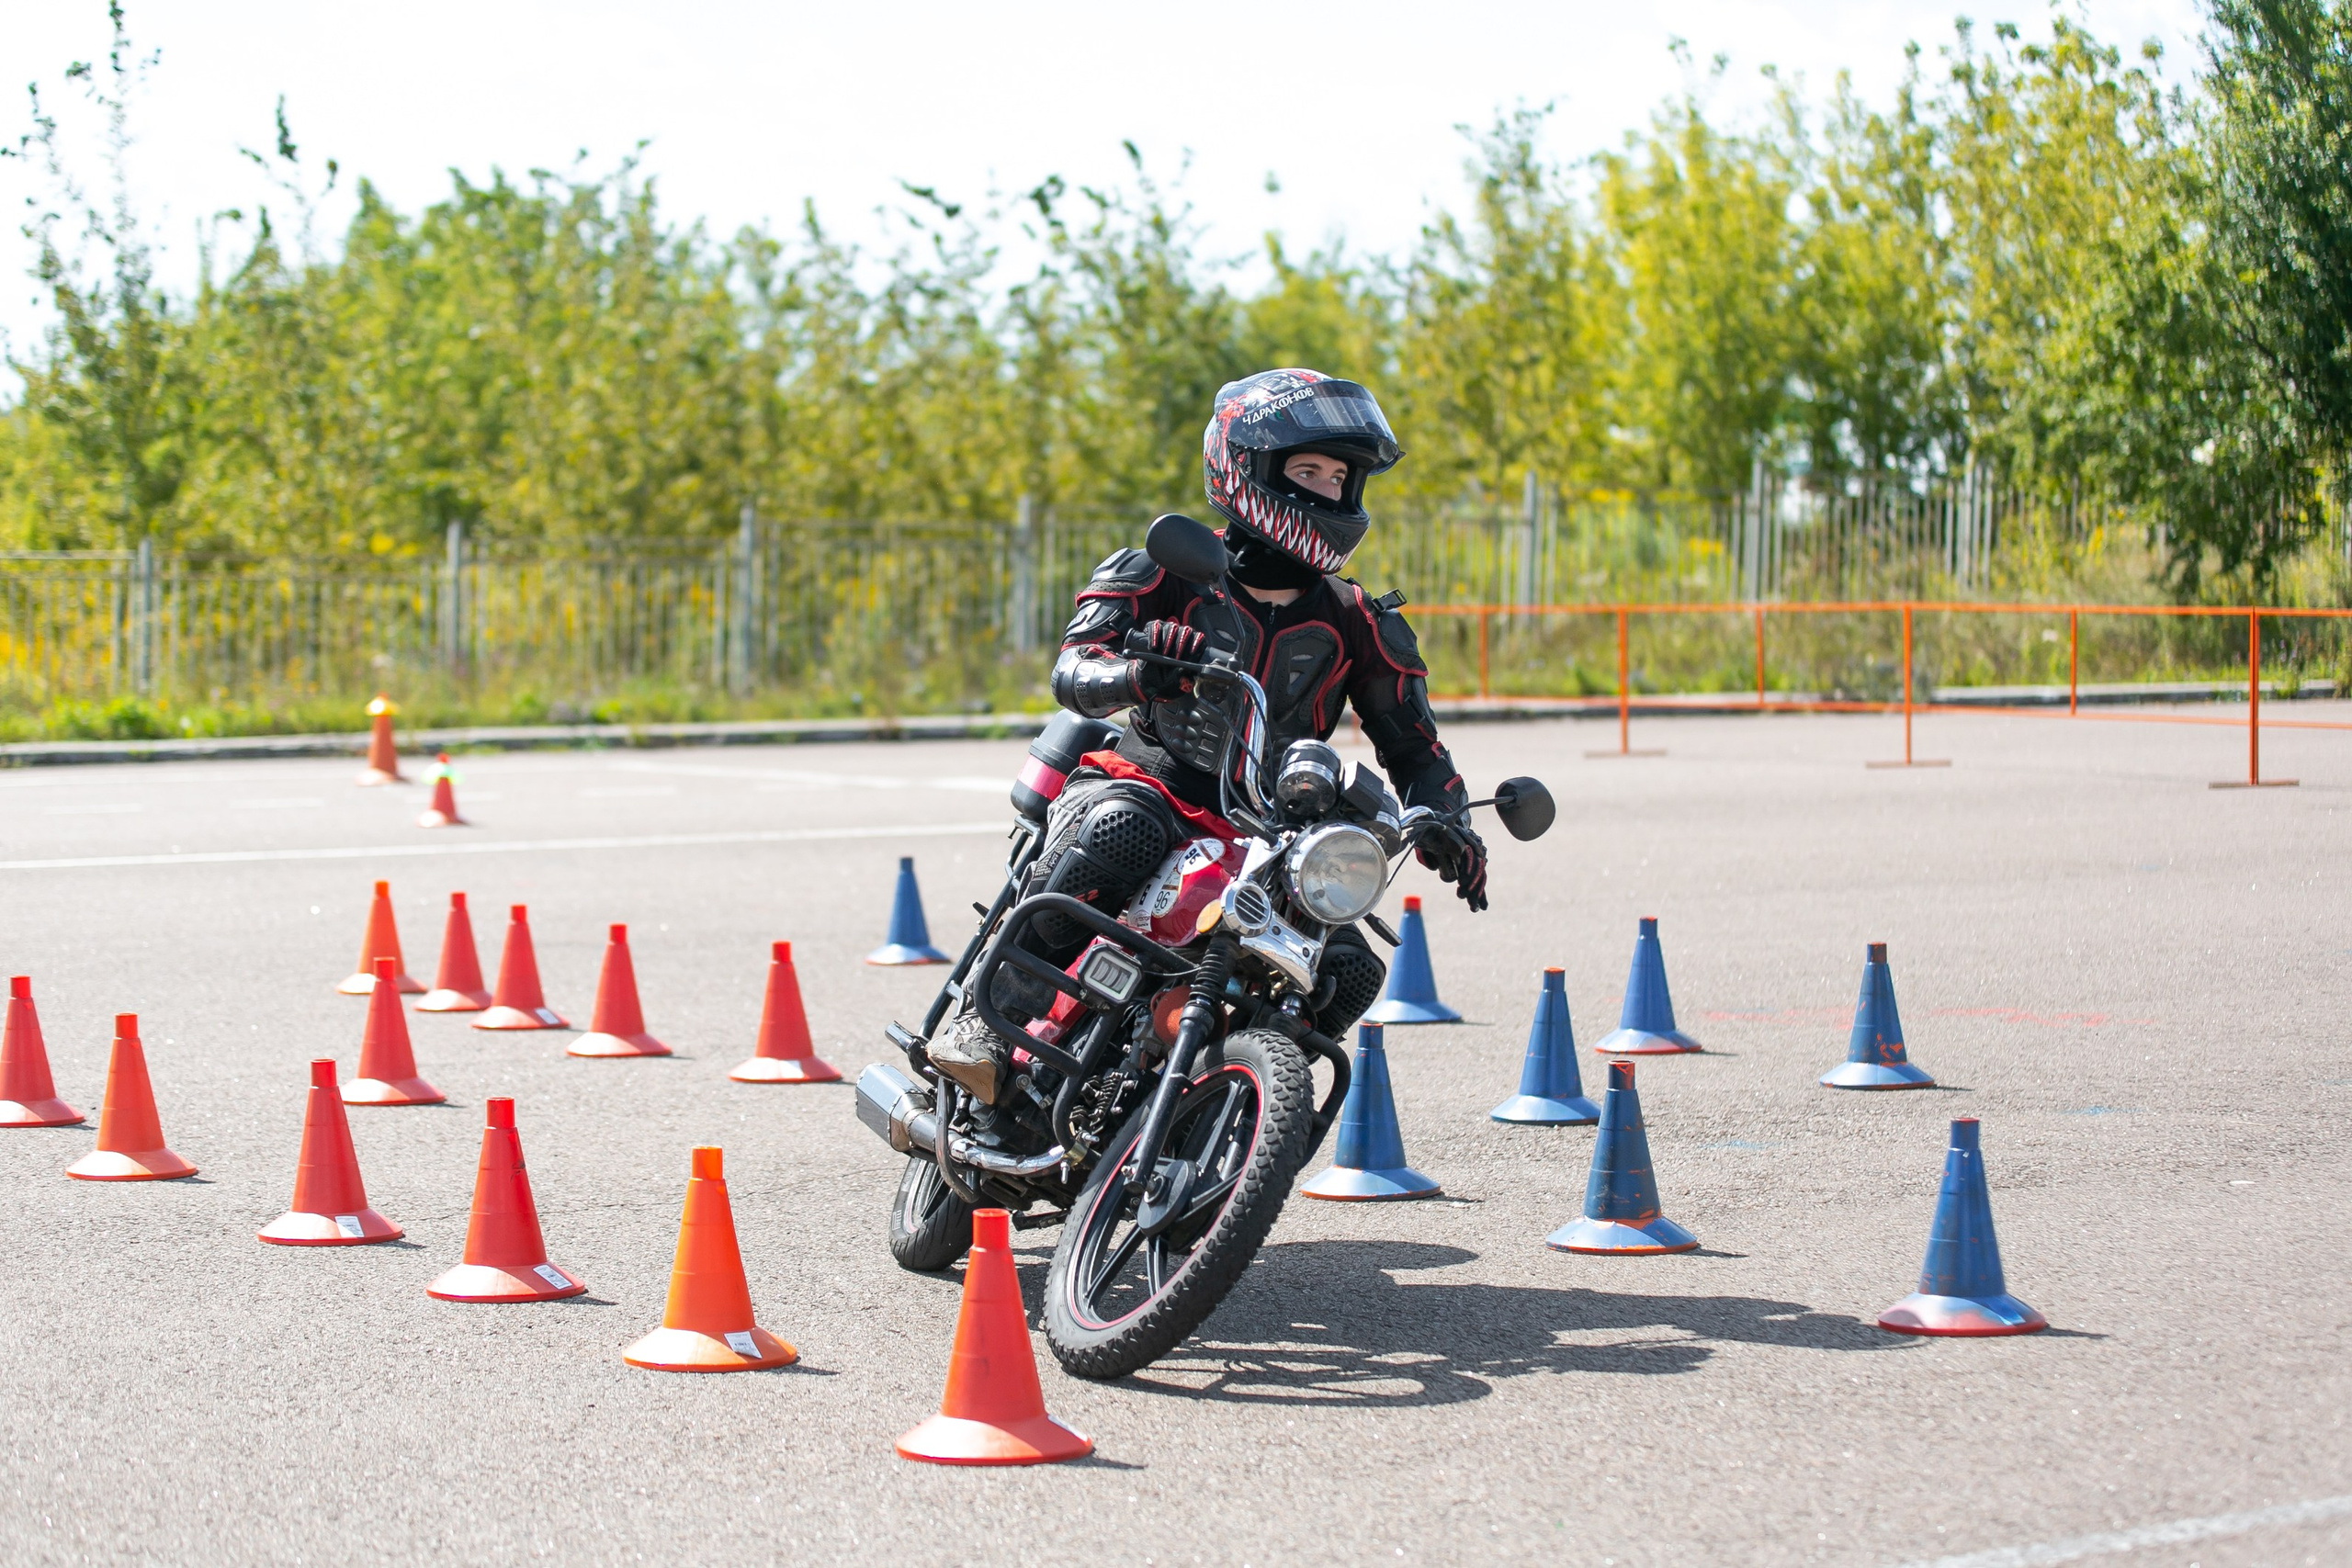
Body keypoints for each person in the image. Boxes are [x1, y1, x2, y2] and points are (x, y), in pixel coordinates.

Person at [929, 367, 1485, 1104]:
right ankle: (987, 1024)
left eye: (1337, 476)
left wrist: (1450, 818)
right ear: (1246, 467)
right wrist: (1139, 676)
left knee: (1350, 963)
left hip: (1271, 832)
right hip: (1150, 783)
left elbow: (1415, 747)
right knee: (1120, 828)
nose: (1324, 489)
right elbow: (1073, 667)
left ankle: (1226, 1100)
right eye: (1306, 469)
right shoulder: (1163, 569)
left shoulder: (1359, 618)